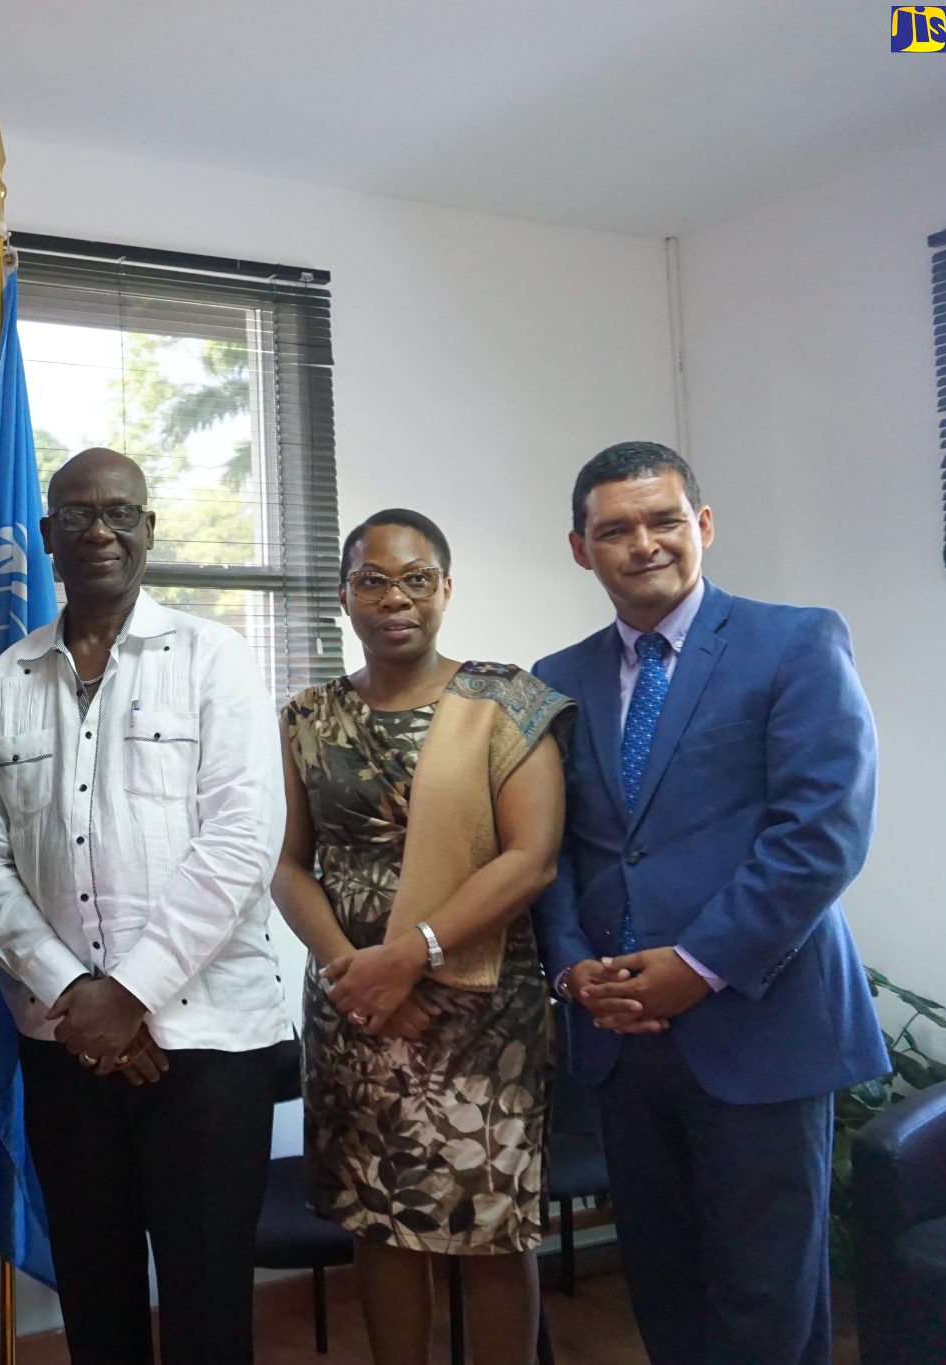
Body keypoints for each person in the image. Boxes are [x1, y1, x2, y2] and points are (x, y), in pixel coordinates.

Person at [533, 442, 886, 1365]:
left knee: (766, 1301)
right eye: (615, 529)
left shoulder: (796, 640)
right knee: (666, 1289)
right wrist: (572, 967)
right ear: (581, 548)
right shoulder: (556, 680)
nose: (642, 543)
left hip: (760, 1026)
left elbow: (822, 834)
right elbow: (553, 847)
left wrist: (697, 966)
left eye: (663, 520)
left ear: (704, 525)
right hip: (622, 1040)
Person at [0, 448, 292, 1363]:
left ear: (149, 530)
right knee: (94, 1296)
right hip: (65, 1046)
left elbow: (239, 842)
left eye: (119, 513)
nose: (98, 530)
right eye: (76, 515)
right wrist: (78, 996)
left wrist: (132, 993)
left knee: (206, 1302)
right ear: (47, 538)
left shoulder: (214, 658)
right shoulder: (1, 683)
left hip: (210, 1047)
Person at [273, 509, 571, 1365]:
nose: (393, 597)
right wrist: (350, 975)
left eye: (415, 578)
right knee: (380, 1215)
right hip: (352, 1007)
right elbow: (290, 866)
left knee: (490, 1223)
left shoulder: (505, 702)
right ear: (343, 596)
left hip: (477, 1008)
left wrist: (407, 959)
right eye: (372, 579)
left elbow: (532, 858)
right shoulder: (306, 715)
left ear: (446, 589)